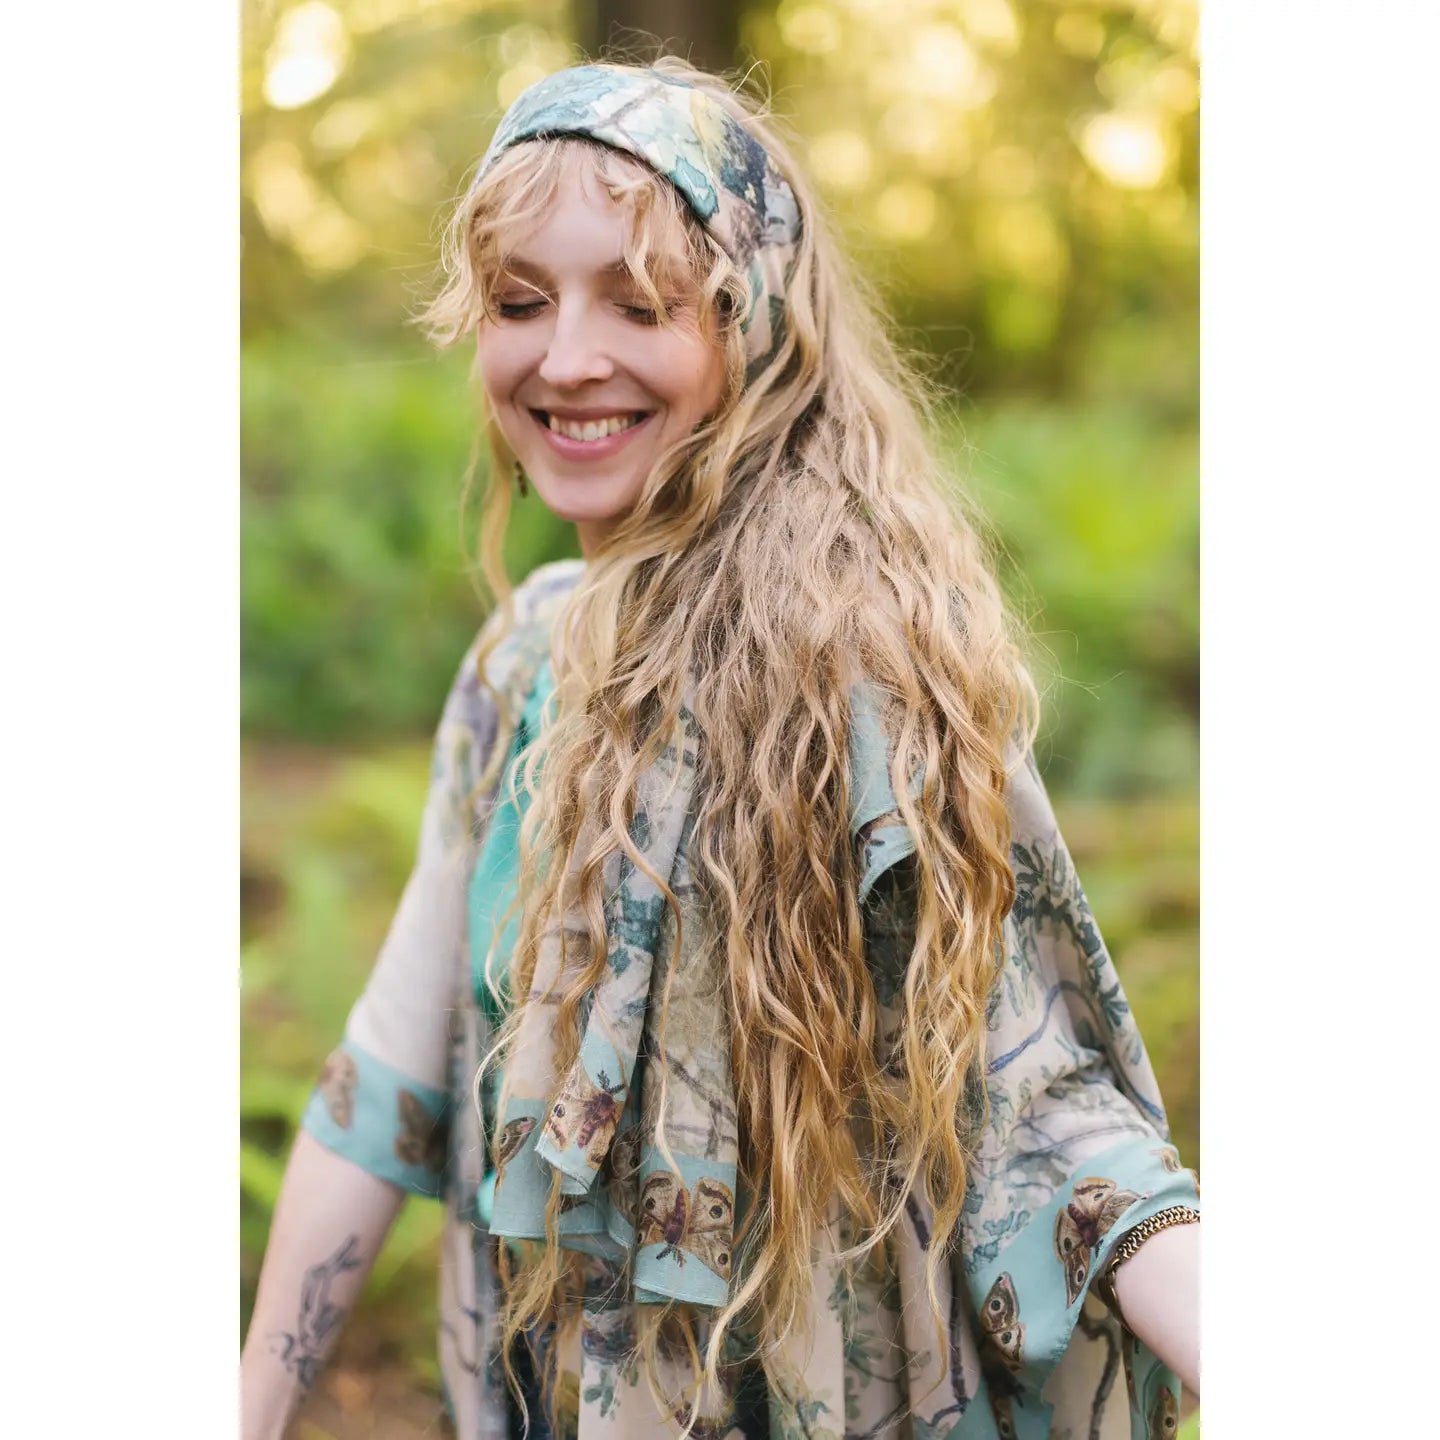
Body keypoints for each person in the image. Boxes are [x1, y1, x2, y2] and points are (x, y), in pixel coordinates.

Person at [240, 57, 1200, 1440]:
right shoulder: (517, 670)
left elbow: (1042, 1111)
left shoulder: (864, 681)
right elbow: (385, 1079)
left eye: (639, 303)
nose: (567, 357)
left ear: (753, 330)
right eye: (520, 300)